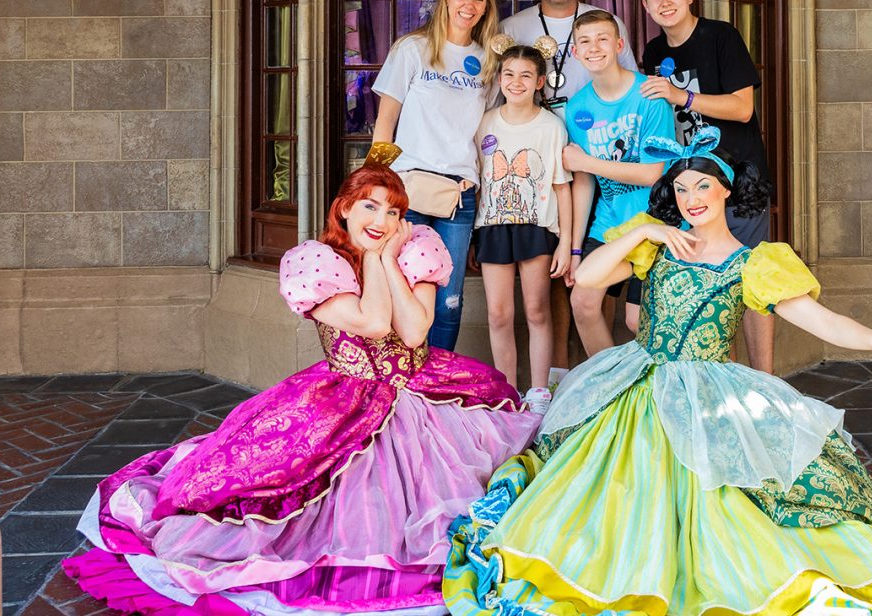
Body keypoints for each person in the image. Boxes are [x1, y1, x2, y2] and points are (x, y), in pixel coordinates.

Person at [443, 129, 872, 616]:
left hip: (710, 391)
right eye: (681, 189)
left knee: (726, 495)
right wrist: (643, 231)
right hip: (637, 380)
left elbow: (818, 319)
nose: (691, 199)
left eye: (703, 185)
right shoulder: (658, 246)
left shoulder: (754, 263)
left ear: (726, 189)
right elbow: (588, 278)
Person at [63, 166, 541, 615]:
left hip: (423, 391)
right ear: (344, 208)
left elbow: (415, 333)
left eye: (394, 211)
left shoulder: (416, 251)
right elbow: (375, 323)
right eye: (370, 206)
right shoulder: (317, 264)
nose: (382, 220)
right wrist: (374, 258)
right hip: (345, 396)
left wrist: (387, 260)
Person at [640, 0, 779, 373]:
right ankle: (724, 380)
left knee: (751, 280)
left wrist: (681, 95)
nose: (665, 3)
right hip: (690, 190)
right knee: (710, 285)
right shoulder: (653, 52)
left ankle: (764, 381)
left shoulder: (721, 36)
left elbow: (742, 108)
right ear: (645, 5)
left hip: (739, 182)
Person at [372, 0, 503, 351]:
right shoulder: (411, 49)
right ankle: (403, 374)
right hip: (408, 189)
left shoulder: (488, 61)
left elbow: (484, 132)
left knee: (449, 300)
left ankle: (440, 375)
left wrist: (481, 184)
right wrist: (376, 185)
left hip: (459, 193)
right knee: (402, 290)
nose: (469, 5)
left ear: (487, 8)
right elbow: (385, 122)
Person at [560, 9, 677, 353]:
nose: (594, 47)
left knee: (636, 320)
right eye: (585, 41)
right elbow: (584, 182)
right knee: (583, 303)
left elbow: (653, 173)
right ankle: (611, 381)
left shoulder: (649, 95)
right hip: (609, 223)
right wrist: (576, 250)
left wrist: (588, 162)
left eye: (602, 39)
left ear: (619, 44)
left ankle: (657, 383)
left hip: (656, 220)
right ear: (575, 52)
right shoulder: (577, 108)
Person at [472, 44, 573, 412]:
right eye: (509, 74)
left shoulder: (551, 127)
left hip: (536, 228)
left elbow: (562, 187)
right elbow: (479, 180)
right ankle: (508, 390)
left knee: (536, 310)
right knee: (498, 313)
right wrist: (471, 236)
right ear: (499, 79)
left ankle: (540, 391)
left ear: (540, 82)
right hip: (492, 227)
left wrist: (566, 242)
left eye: (526, 75)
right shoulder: (484, 122)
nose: (516, 82)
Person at [501, 0, 637, 111]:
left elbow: (631, 84)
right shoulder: (510, 29)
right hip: (534, 125)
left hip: (597, 124)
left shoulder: (609, 24)